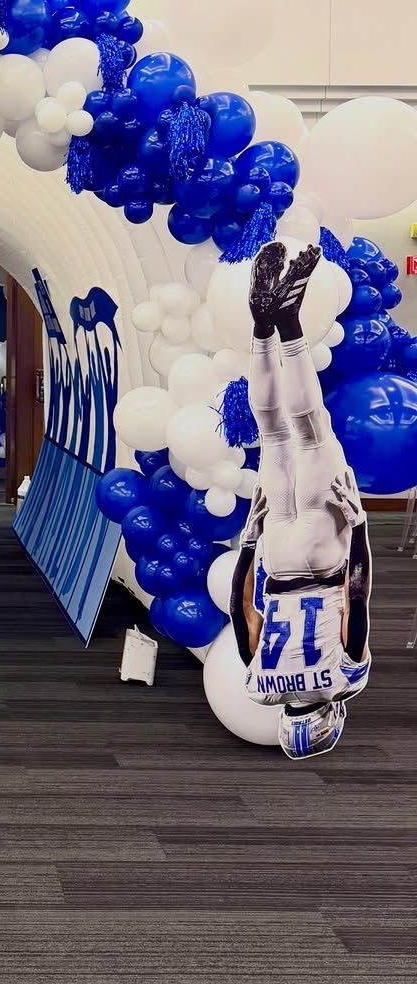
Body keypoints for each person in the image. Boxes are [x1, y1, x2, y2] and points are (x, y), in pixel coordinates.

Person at [230, 240, 372, 760]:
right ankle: (262, 329)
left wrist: (358, 529)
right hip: (278, 556)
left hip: (321, 556)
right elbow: (239, 607)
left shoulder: (343, 679)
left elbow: (354, 598)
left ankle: (287, 321)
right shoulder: (259, 686)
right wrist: (249, 543)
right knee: (271, 432)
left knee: (312, 433)